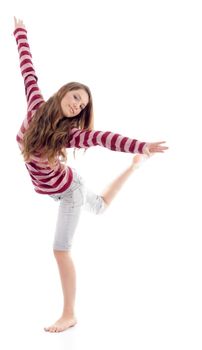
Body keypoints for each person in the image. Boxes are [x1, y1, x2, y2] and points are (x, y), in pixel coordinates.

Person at [13, 17, 168, 333]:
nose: (76, 106)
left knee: (60, 249)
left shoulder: (69, 135)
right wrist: (20, 32)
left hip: (68, 190)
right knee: (98, 207)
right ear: (63, 93)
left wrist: (142, 145)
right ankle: (133, 168)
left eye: (81, 105)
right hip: (60, 188)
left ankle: (69, 313)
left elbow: (104, 138)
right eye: (75, 98)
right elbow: (27, 69)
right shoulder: (35, 106)